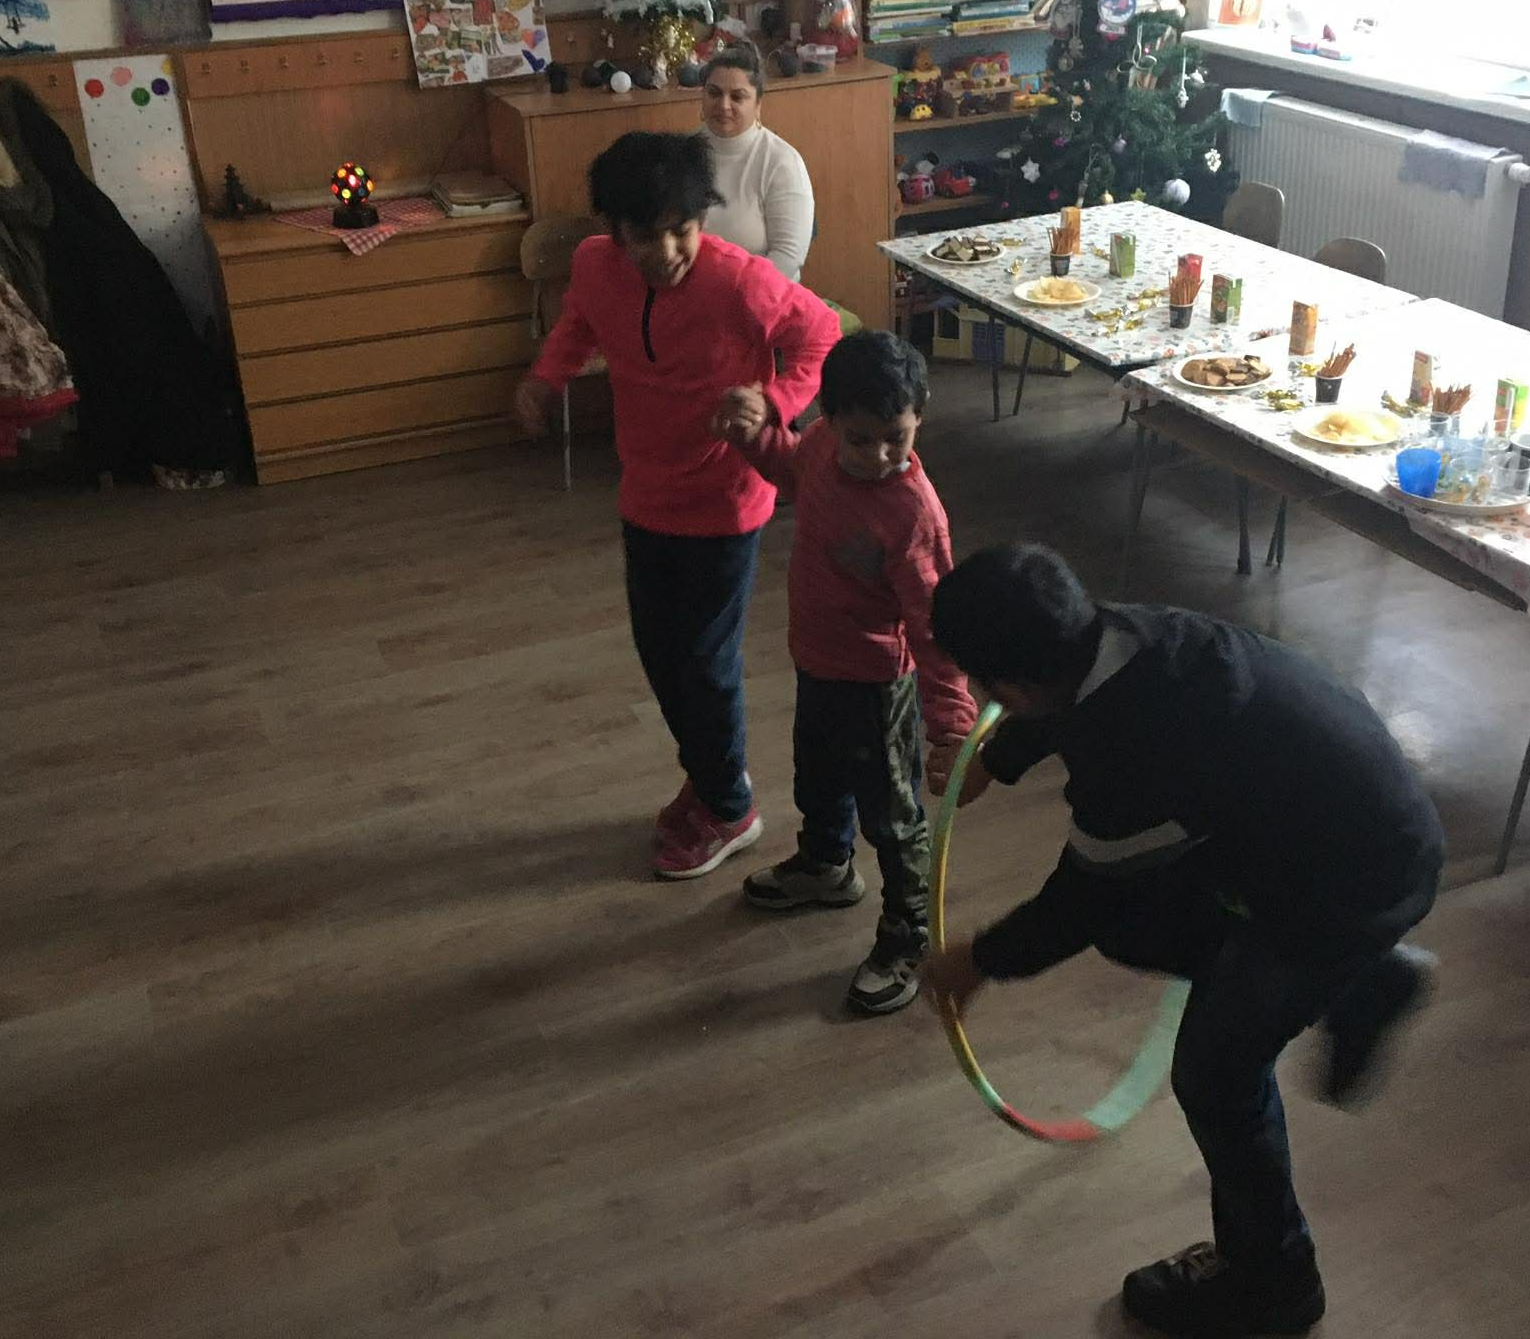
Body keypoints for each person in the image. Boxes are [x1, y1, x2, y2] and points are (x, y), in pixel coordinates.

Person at [920, 544, 1442, 1339]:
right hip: (1337, 830)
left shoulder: (1134, 753)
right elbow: (1060, 702)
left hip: (1348, 885)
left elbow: (1080, 898)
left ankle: (1275, 1282)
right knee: (1138, 922)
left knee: (1215, 1072)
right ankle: (1365, 979)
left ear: (1009, 689)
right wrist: (997, 758)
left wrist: (977, 962)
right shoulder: (1121, 635)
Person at [514, 132, 839, 880]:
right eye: (645, 235)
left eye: (682, 229)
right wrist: (546, 377)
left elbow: (821, 336)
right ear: (612, 230)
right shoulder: (594, 265)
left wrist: (773, 400)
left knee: (703, 663)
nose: (666, 251)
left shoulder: (740, 281)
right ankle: (709, 770)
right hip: (646, 493)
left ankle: (729, 807)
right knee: (662, 653)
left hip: (726, 501)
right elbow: (579, 323)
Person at [711, 330, 977, 1015]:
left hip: (877, 685)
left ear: (919, 415)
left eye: (897, 437)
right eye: (862, 439)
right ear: (829, 418)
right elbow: (791, 469)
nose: (881, 455)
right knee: (818, 775)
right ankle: (827, 864)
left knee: (892, 819)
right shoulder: (824, 446)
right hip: (816, 660)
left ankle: (908, 936)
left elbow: (937, 630)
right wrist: (753, 438)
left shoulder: (913, 514)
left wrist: (953, 727)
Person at [699, 44, 815, 283]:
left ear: (758, 104)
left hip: (761, 296)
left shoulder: (782, 162)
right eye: (714, 93)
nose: (723, 105)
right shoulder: (680, 154)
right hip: (692, 295)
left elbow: (787, 257)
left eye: (737, 97)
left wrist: (731, 298)